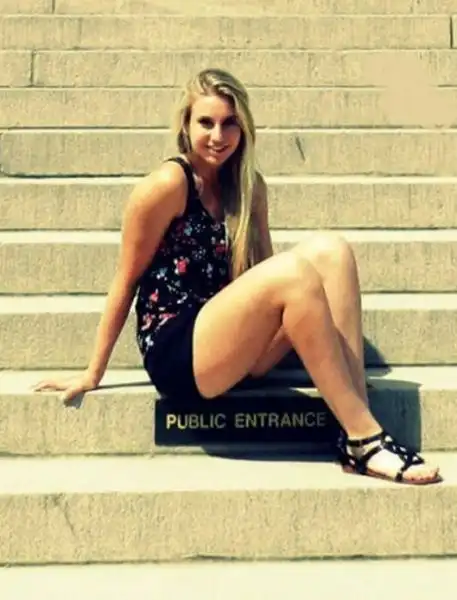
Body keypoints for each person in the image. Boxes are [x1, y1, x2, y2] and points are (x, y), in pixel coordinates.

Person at [34, 68, 441, 485]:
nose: (218, 135)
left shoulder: (249, 187)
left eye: (229, 123)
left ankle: (356, 422)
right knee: (294, 271)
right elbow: (126, 280)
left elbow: (267, 274)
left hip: (231, 343)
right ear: (185, 126)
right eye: (206, 122)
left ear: (244, 127)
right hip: (180, 350)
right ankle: (366, 441)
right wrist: (93, 372)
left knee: (331, 252)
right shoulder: (168, 184)